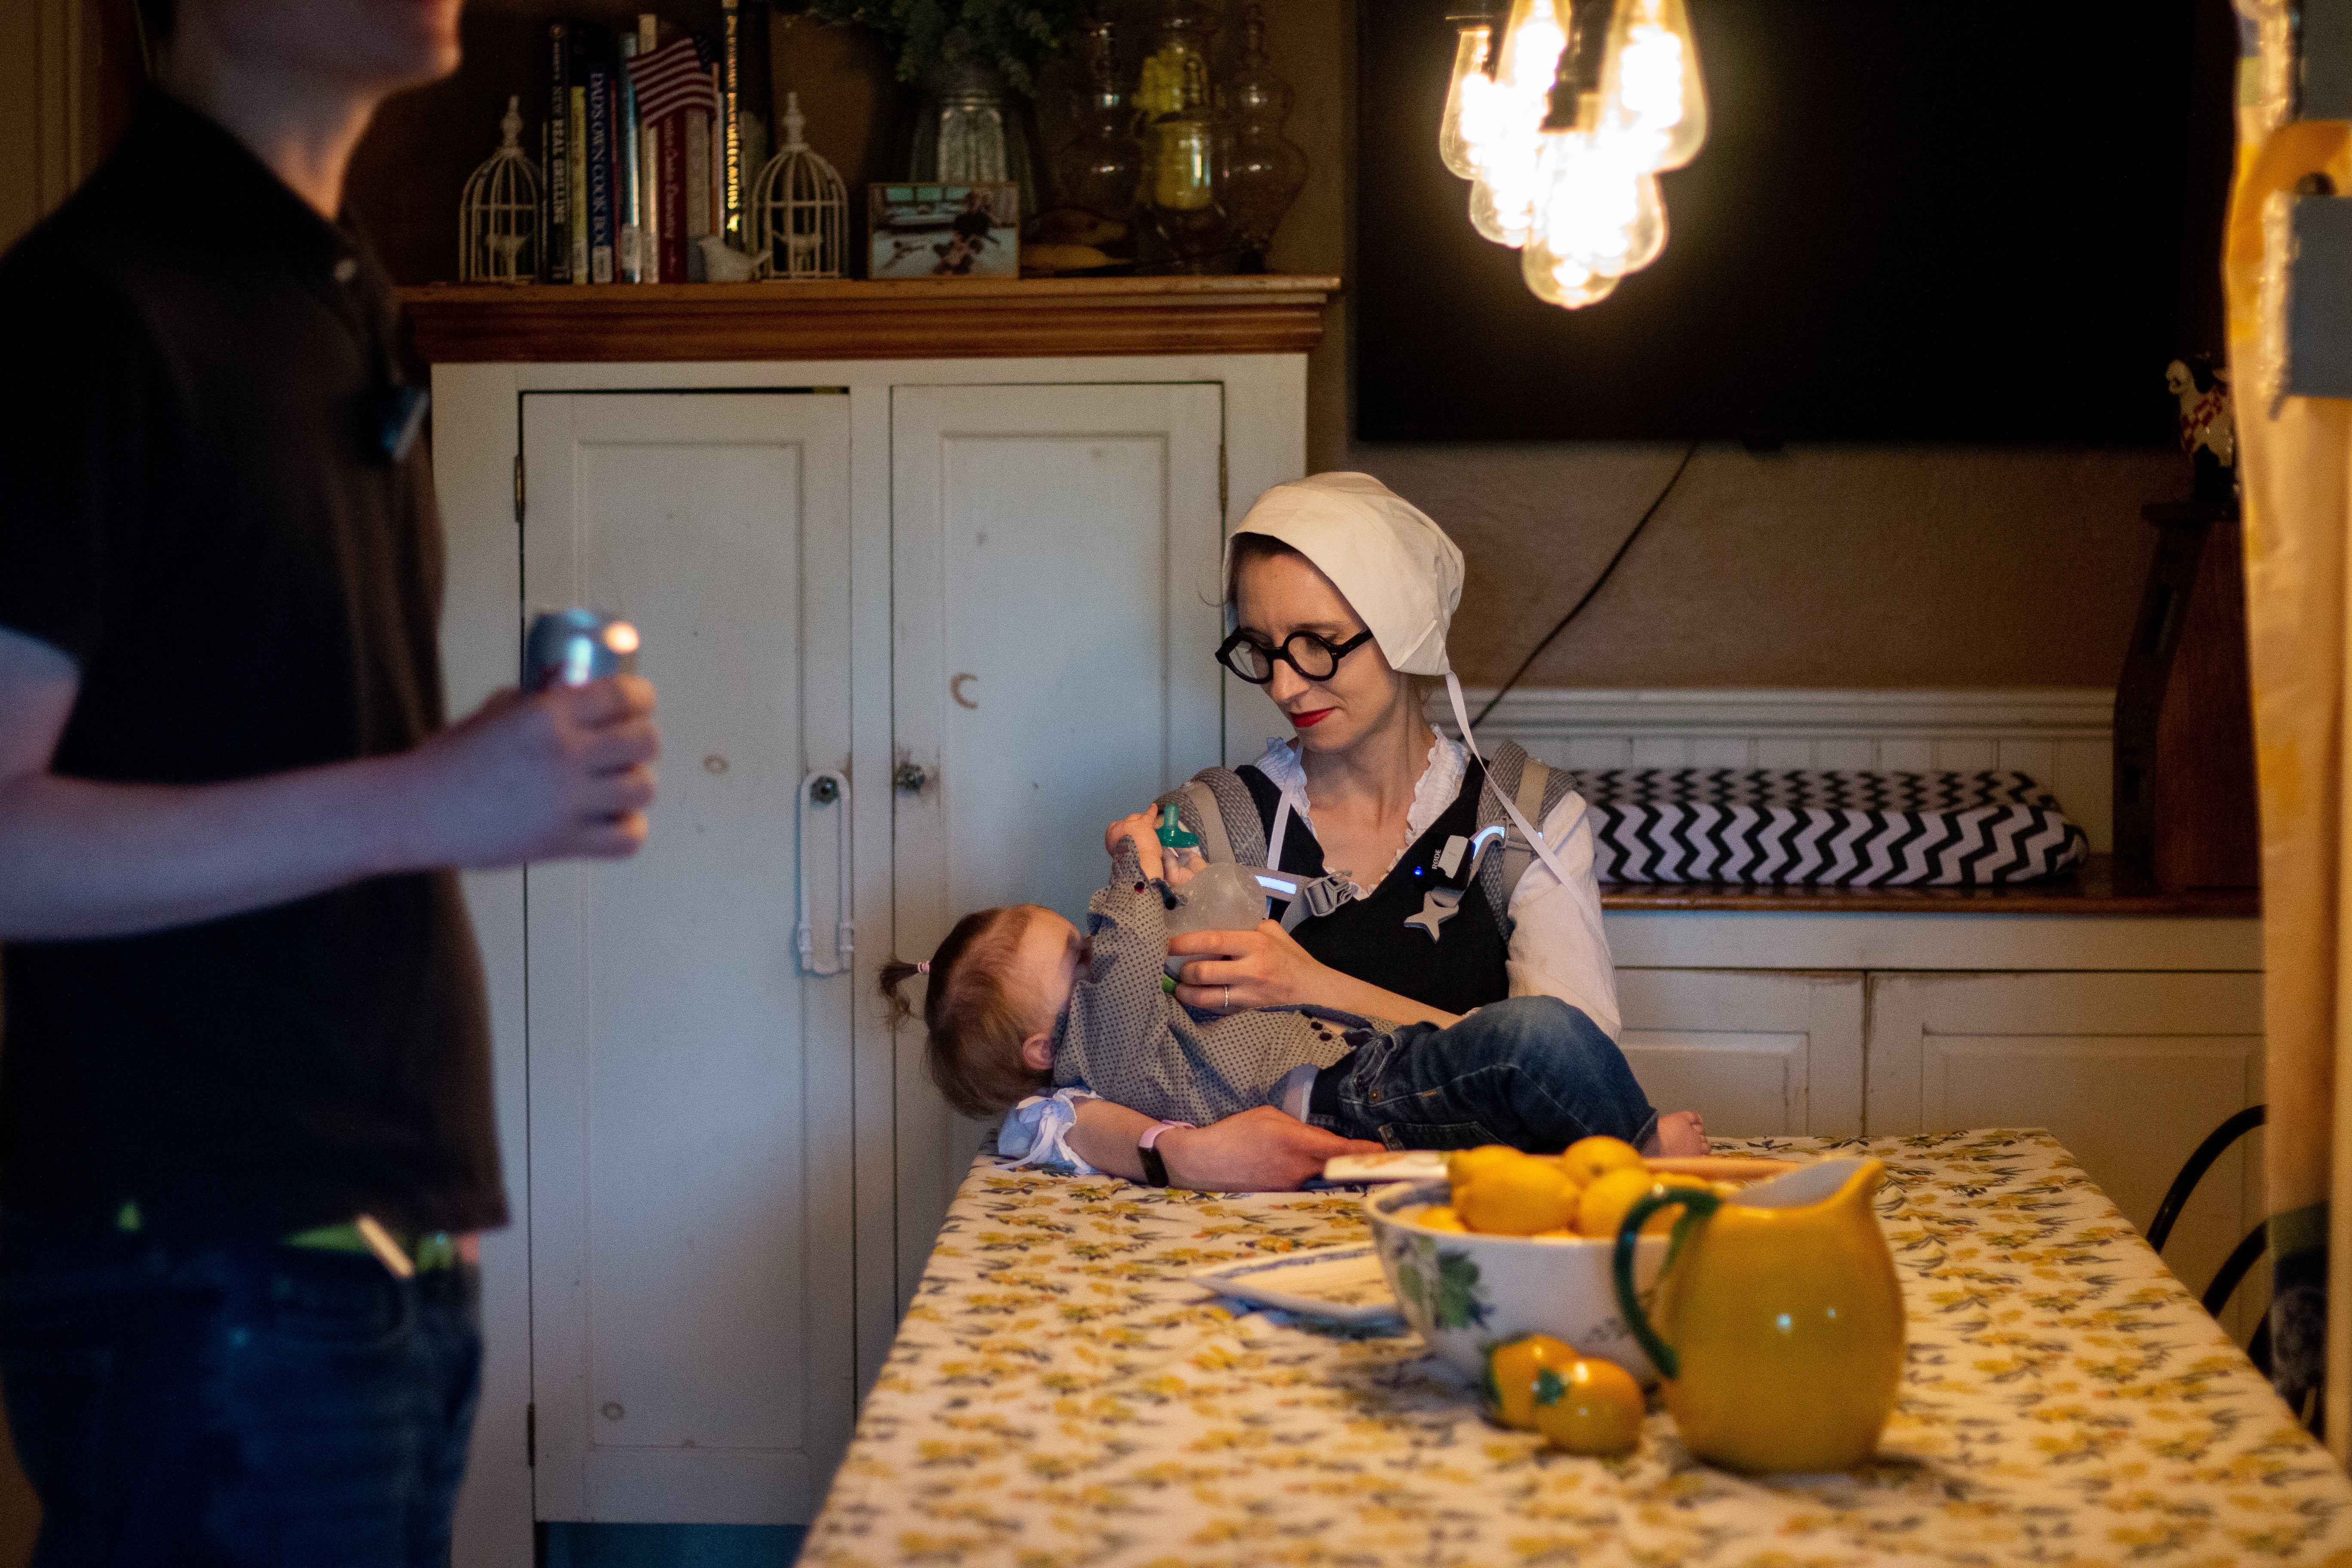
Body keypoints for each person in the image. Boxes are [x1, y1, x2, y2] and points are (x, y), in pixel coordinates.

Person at [0, 1, 660, 1560]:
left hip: (359, 1262)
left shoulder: (337, 296)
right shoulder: (88, 311)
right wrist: (435, 797)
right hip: (205, 1270)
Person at [1053, 472, 1690, 1187]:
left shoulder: (1521, 822)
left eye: (1318, 644)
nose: (1285, 686)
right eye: (1261, 648)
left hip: (1478, 1227)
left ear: (1405, 628)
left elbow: (1571, 1076)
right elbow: (1072, 1085)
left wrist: (1317, 985)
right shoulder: (1206, 830)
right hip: (1260, 1241)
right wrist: (1182, 1153)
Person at [882, 819, 1684, 1157]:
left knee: (1514, 1092)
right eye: (1077, 955)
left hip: (1368, 1073)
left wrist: (1181, 880)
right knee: (1532, 1039)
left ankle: (1614, 1156)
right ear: (1040, 1045)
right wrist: (1129, 858)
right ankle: (1647, 1161)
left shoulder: (1130, 1032)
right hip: (1354, 1095)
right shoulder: (1105, 1060)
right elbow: (1128, 956)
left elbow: (1158, 945)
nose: (1099, 951)